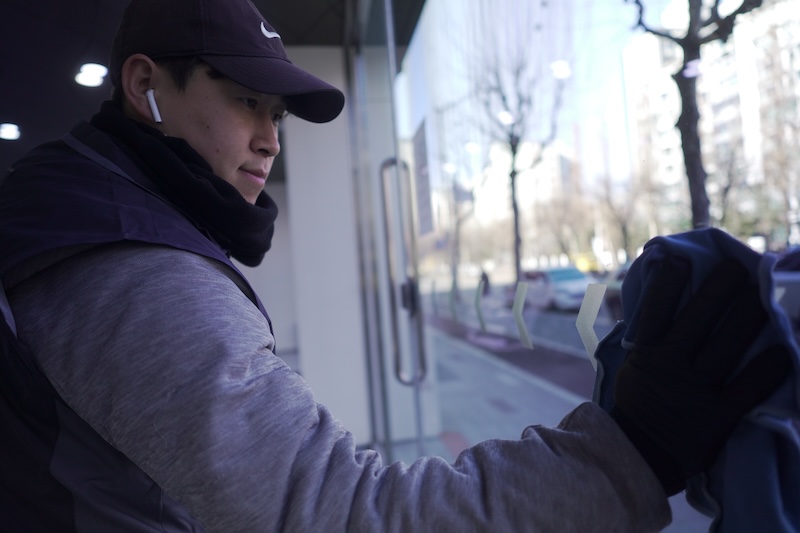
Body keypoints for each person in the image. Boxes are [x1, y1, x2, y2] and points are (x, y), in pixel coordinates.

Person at [0, 0, 790, 531]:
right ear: (146, 86)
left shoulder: (80, 215)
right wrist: (633, 448)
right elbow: (347, 513)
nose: (270, 139)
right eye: (244, 99)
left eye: (275, 114)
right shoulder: (134, 270)